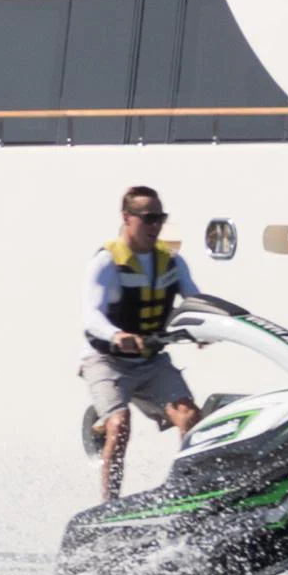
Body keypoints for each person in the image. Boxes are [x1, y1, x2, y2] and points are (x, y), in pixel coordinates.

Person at [81, 185, 208, 503]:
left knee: (191, 418)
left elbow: (194, 300)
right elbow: (91, 317)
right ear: (127, 217)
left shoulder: (173, 263)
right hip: (106, 361)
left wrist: (205, 327)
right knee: (120, 425)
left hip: (152, 362)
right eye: (148, 218)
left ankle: (189, 496)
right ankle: (108, 506)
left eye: (160, 218)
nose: (156, 226)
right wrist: (116, 335)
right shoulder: (106, 263)